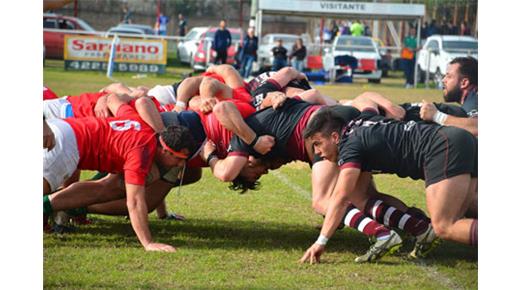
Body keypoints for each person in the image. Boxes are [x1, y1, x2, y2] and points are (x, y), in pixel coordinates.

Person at [300, 105, 477, 264]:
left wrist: (320, 242)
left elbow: (340, 197)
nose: (317, 152)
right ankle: (421, 231)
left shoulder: (350, 145)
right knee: (466, 212)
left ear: (335, 137)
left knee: (444, 226)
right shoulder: (360, 124)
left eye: (318, 144)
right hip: (461, 138)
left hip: (442, 146)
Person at [43, 98, 197, 252]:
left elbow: (112, 99)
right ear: (164, 150)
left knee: (103, 188)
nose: (181, 165)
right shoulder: (142, 152)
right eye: (178, 158)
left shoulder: (140, 123)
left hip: (64, 128)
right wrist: (148, 243)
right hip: (65, 145)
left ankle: (49, 209)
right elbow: (135, 202)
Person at [420, 57, 478, 136]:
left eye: (449, 76)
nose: (443, 80)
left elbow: (477, 126)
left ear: (464, 83)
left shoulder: (474, 99)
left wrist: (436, 116)